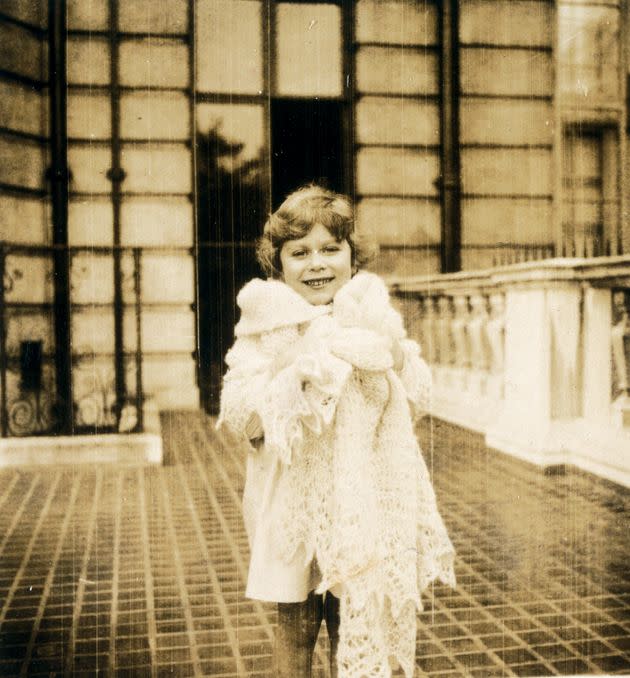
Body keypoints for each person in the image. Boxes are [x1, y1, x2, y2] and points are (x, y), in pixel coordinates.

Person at [217, 185, 455, 678]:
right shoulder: (266, 326)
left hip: (360, 502)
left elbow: (416, 396)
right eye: (299, 253)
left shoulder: (371, 321)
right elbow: (244, 417)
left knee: (353, 622)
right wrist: (294, 367)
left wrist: (389, 354)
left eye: (331, 249)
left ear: (352, 255)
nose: (317, 264)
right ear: (278, 263)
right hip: (293, 507)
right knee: (296, 628)